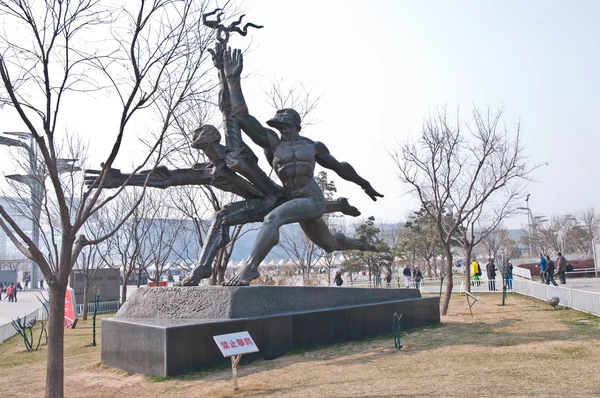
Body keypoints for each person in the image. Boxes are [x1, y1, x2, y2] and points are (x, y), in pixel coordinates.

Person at [220, 47, 383, 286]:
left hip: (313, 200)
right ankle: (360, 243)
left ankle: (249, 268)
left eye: (284, 122)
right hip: (294, 201)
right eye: (278, 123)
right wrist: (233, 81)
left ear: (295, 124)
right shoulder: (273, 144)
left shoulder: (312, 147)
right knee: (329, 245)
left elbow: (340, 167)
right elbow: (243, 118)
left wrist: (364, 184)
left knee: (272, 219)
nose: (280, 126)